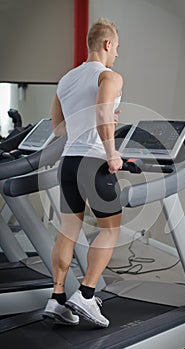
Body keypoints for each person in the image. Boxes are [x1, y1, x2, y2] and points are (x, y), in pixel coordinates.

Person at [43, 18, 123, 327]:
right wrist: (113, 153)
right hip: (95, 163)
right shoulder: (110, 76)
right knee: (110, 230)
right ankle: (87, 296)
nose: (117, 54)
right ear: (107, 45)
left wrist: (95, 120)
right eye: (116, 48)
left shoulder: (66, 79)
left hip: (70, 163)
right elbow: (103, 112)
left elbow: (58, 128)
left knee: (67, 231)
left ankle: (58, 297)